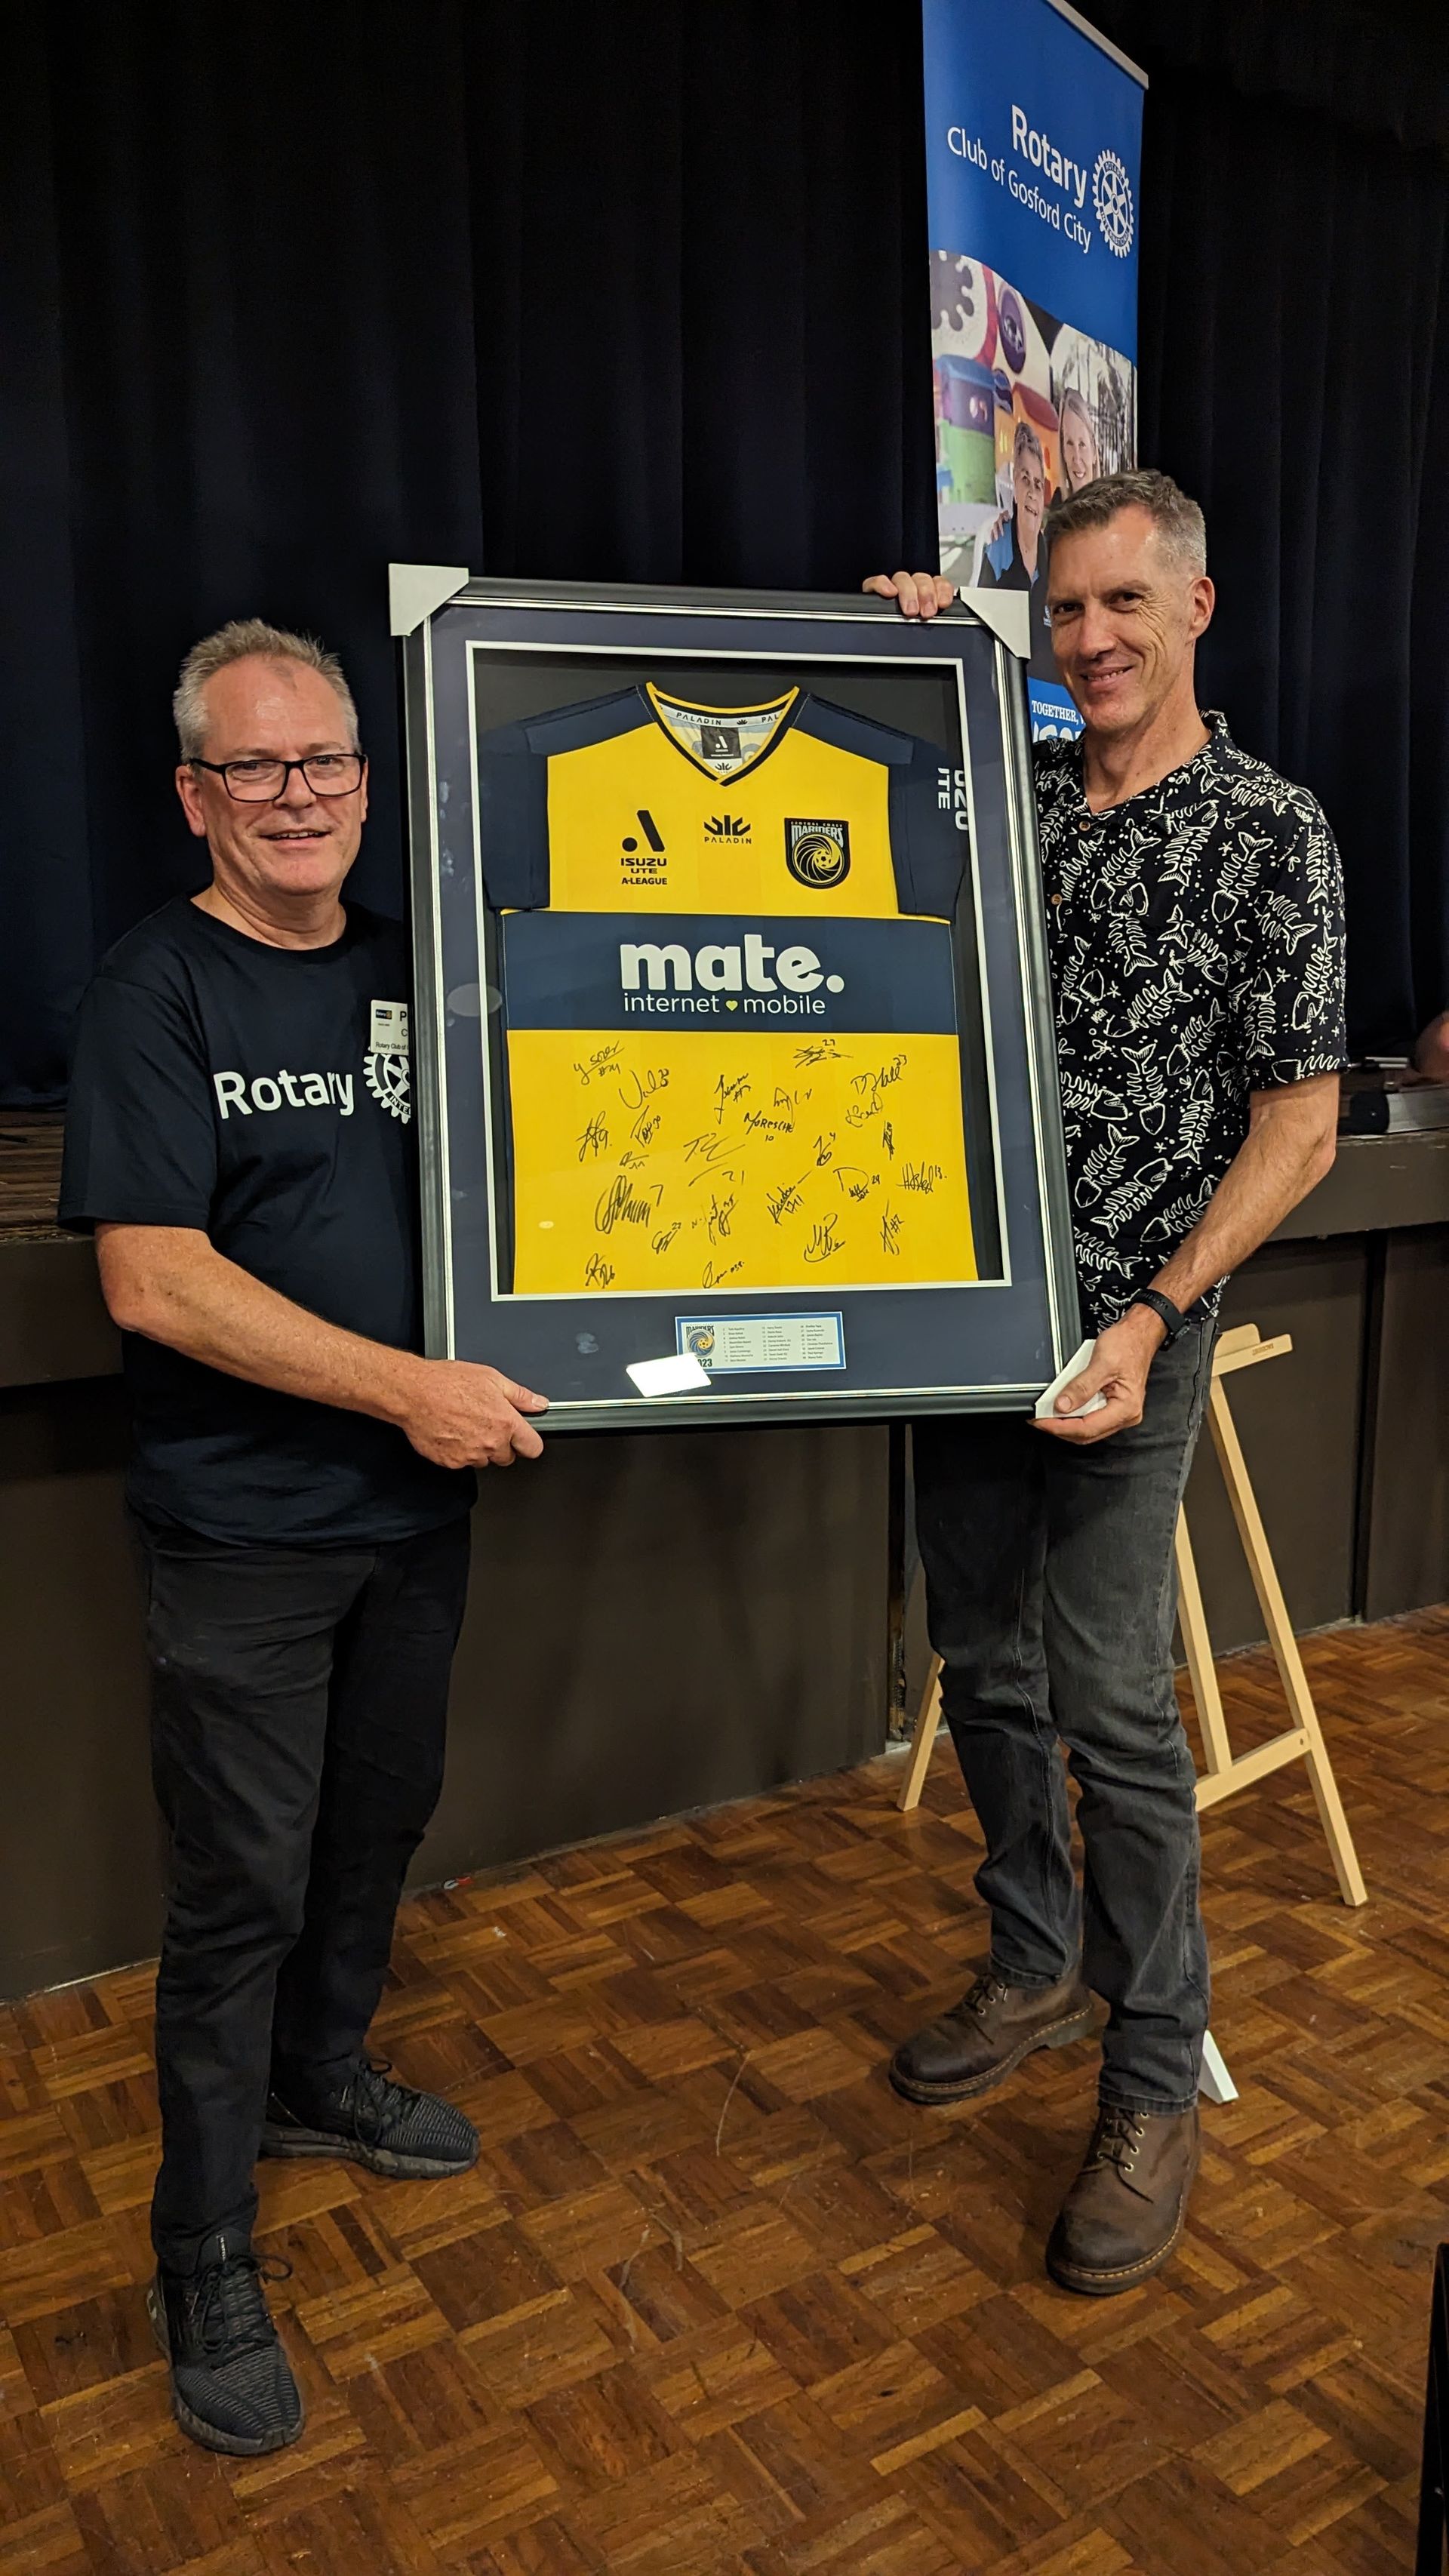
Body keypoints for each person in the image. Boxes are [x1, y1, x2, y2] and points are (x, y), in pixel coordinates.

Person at [60, 620, 549, 2455]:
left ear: (369, 776)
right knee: (235, 1892)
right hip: (243, 1537)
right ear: (195, 792)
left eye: (327, 763)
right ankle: (202, 2250)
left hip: (416, 1517)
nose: (299, 796)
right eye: (257, 768)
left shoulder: (425, 974)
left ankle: (321, 2076)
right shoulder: (152, 991)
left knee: (376, 1823)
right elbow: (155, 1279)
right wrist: (402, 1387)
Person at [864, 470, 1345, 2296]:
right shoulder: (1004, 803)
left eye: (1122, 605)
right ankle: (1033, 1954)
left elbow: (1296, 1130)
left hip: (1136, 1321)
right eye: (1062, 611)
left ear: (1195, 609)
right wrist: (893, 652)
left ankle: (1154, 2071)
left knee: (1116, 1700)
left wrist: (1152, 1313)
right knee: (977, 1655)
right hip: (960, 1309)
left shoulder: (1271, 831)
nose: (1089, 641)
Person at [977, 419, 1052, 665]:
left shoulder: (1054, 557)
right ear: (1015, 490)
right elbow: (979, 641)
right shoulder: (997, 548)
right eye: (1025, 480)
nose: (1032, 492)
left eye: (1038, 484)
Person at [1057, 385, 1101, 497]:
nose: (1077, 459)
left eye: (1082, 444)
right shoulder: (1056, 507)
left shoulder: (1111, 511)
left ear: (1094, 452)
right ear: (1063, 451)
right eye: (1069, 443)